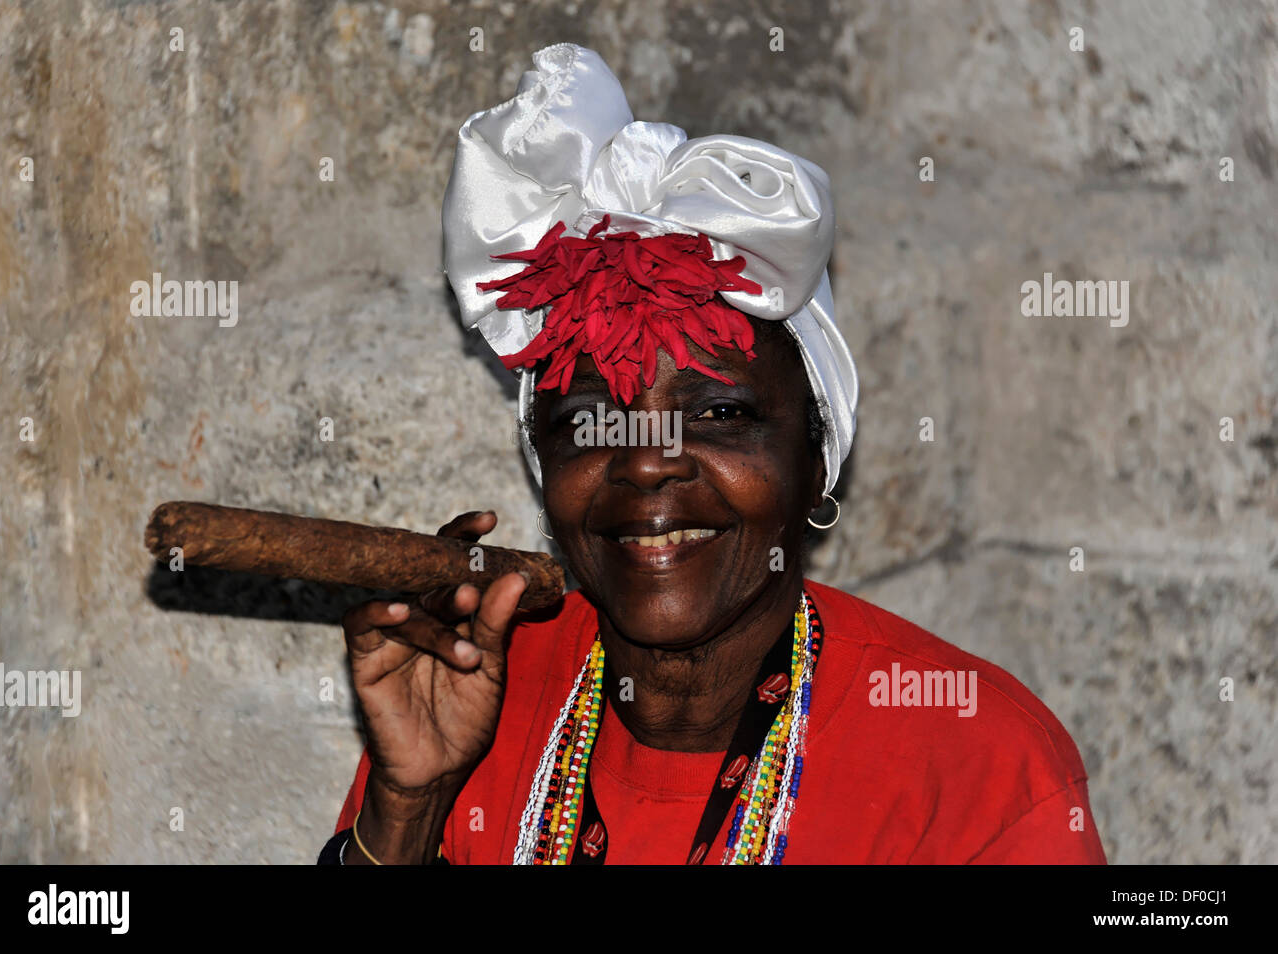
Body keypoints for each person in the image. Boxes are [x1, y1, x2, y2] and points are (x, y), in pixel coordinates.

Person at [317, 44, 1105, 865]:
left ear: (816, 456)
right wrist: (407, 811)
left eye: (721, 412)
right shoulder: (476, 697)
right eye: (591, 420)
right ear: (542, 462)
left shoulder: (974, 767)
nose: (647, 461)